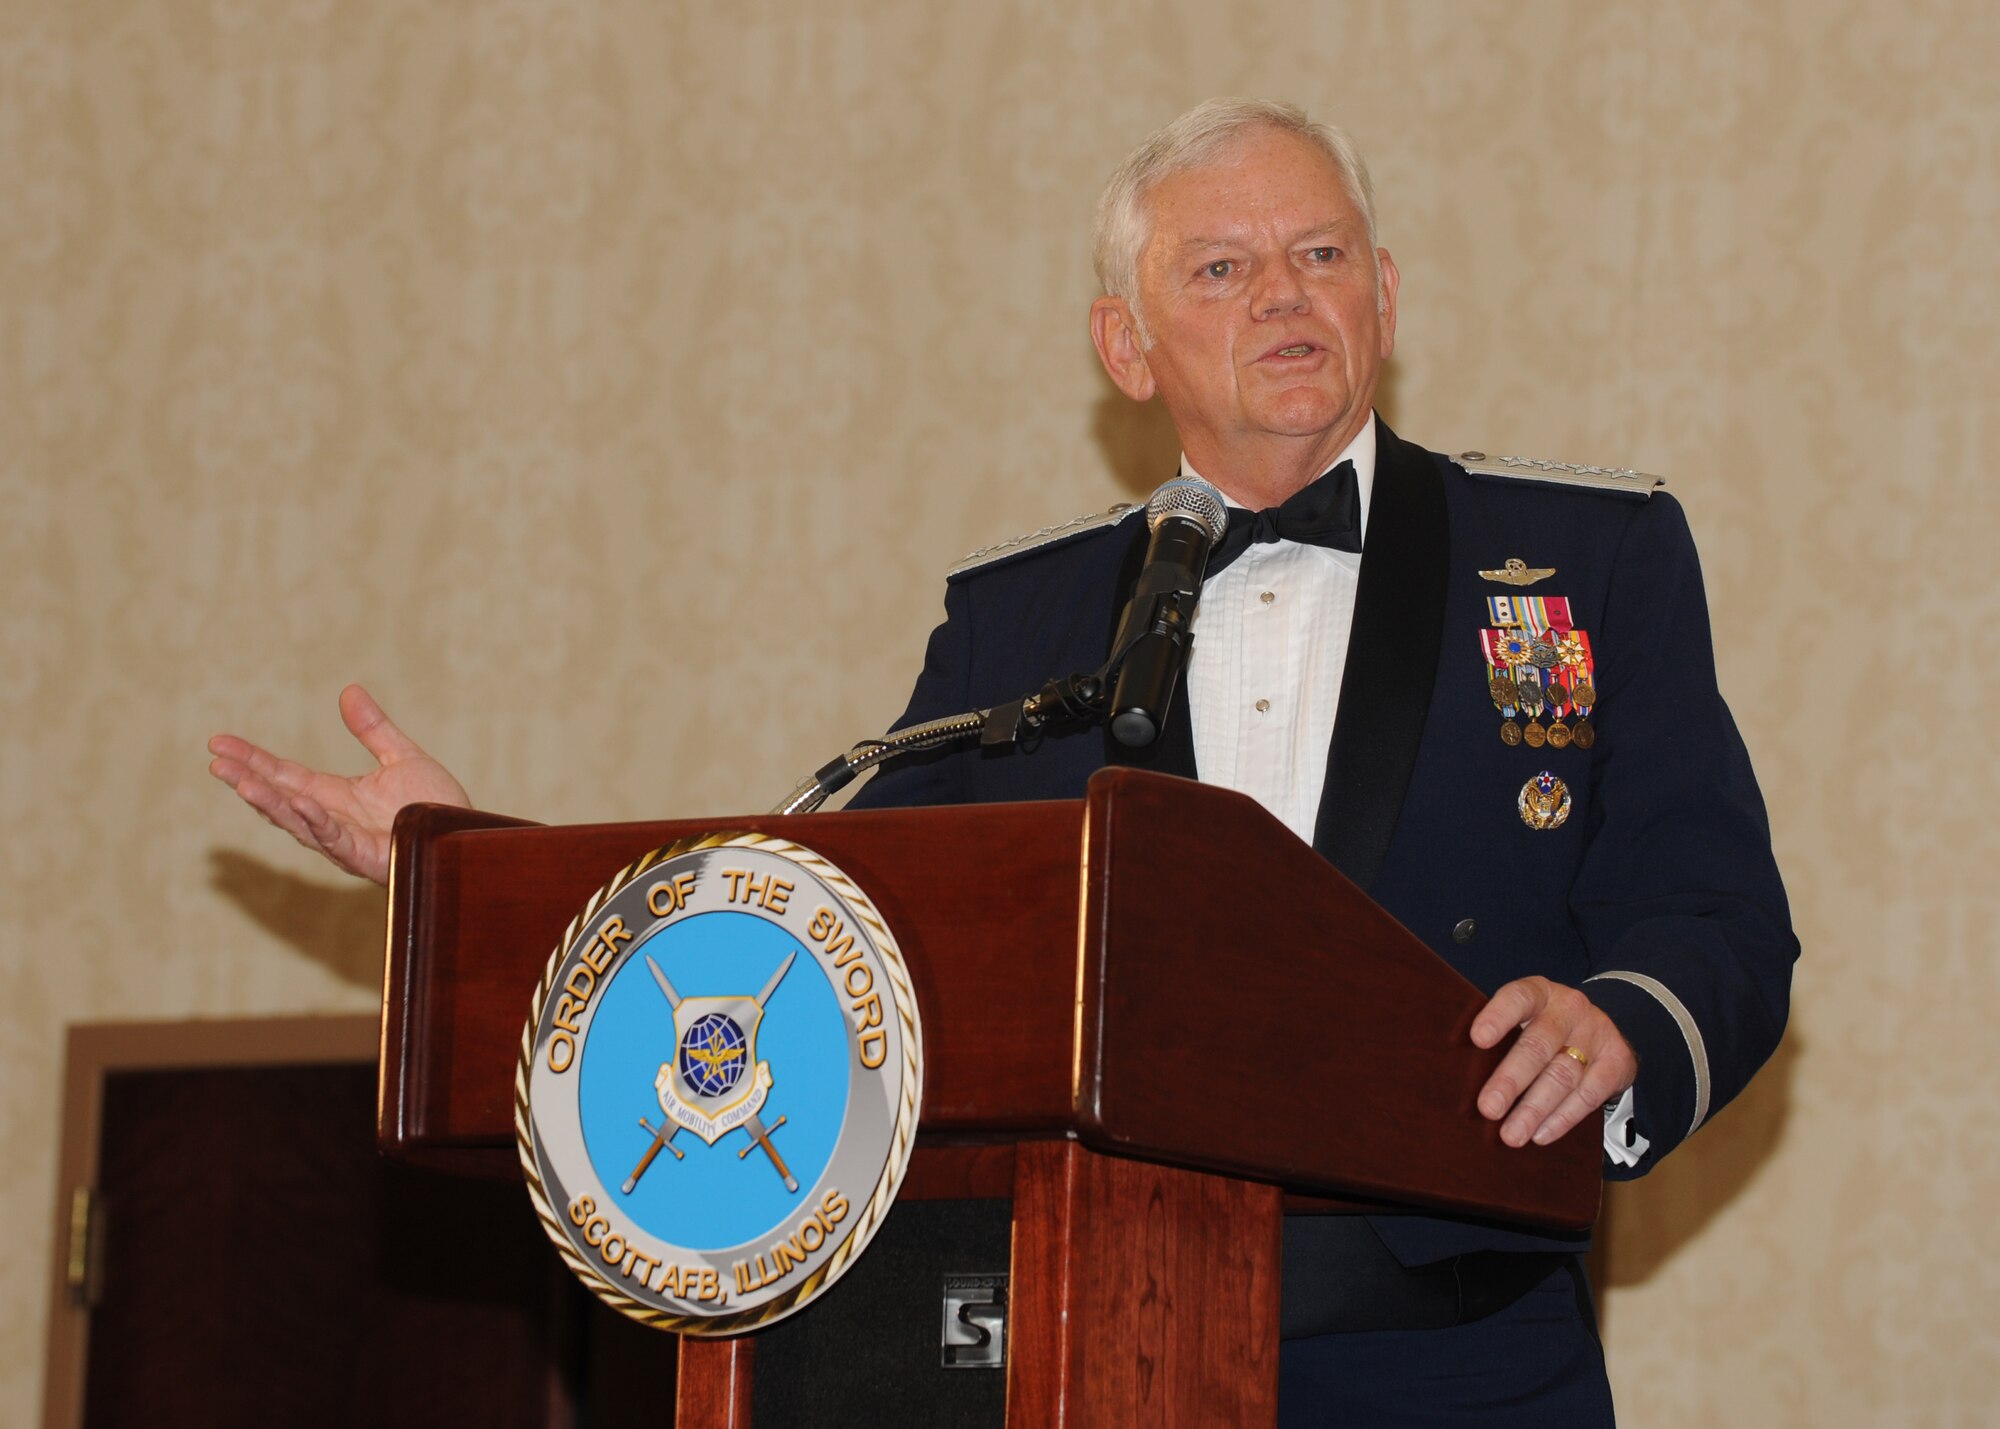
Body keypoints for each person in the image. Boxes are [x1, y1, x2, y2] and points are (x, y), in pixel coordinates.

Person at [211, 98, 1795, 1425]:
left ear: (1387, 288)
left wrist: (1622, 1028)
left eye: (1320, 256)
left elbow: (1717, 911)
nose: (1286, 297)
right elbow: (831, 941)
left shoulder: (1585, 558)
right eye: (1224, 268)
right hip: (1080, 1342)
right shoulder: (1020, 611)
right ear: (1125, 342)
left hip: (1450, 1346)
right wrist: (470, 857)